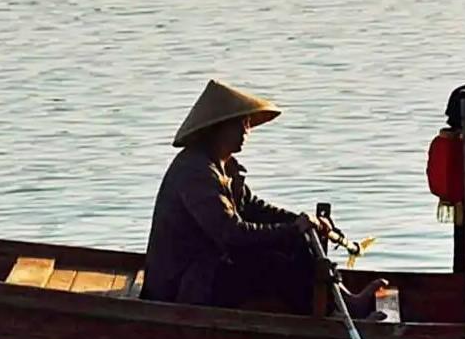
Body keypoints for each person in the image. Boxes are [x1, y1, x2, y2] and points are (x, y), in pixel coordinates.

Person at [142, 79, 334, 315]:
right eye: (240, 124)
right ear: (218, 128)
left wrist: (302, 223)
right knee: (274, 265)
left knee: (297, 242)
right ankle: (324, 315)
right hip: (185, 284)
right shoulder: (195, 171)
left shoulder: (226, 167)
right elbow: (231, 234)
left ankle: (339, 300)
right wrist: (293, 230)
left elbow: (254, 208)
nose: (247, 130)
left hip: (210, 267)